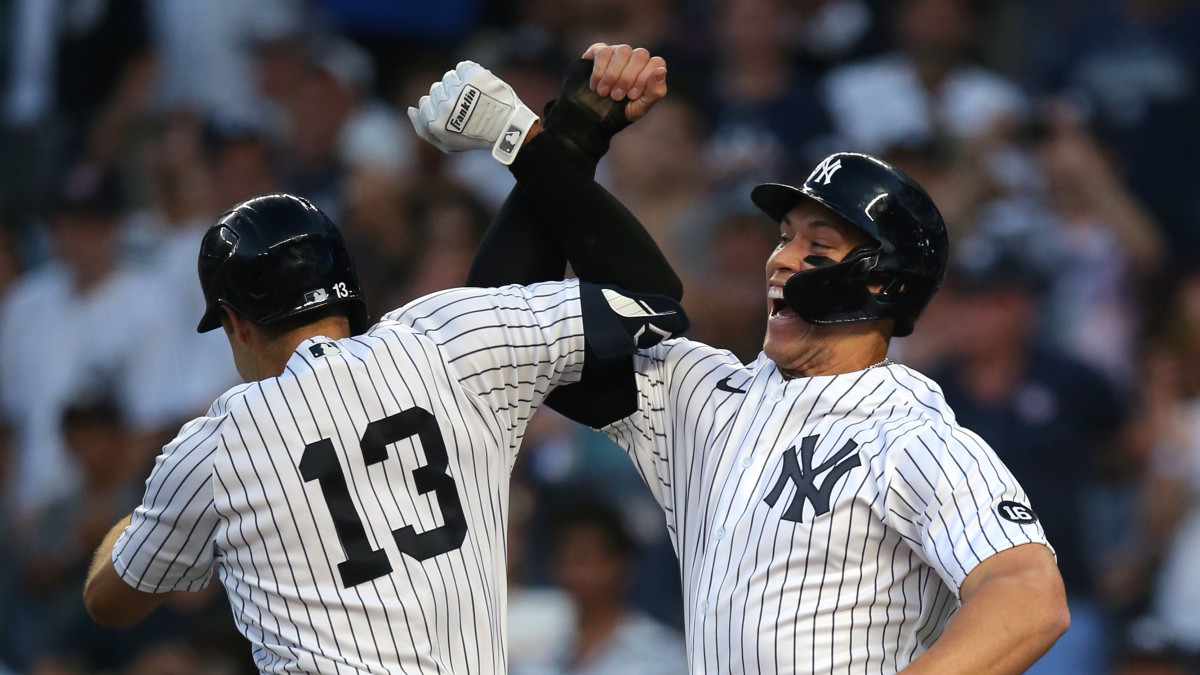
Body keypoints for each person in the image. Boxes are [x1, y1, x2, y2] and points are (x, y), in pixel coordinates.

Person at [409, 44, 1069, 673]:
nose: (780, 258)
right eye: (783, 237)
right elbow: (500, 334)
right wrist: (560, 145)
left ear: (879, 282)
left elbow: (1029, 596)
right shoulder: (704, 392)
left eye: (818, 245)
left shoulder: (913, 437)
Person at [81, 191, 688, 672]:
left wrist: (147, 516)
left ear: (236, 323)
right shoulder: (442, 335)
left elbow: (110, 601)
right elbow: (654, 305)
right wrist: (551, 148)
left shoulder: (212, 448)